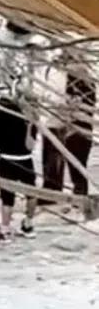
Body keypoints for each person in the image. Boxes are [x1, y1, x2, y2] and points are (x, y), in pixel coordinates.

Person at [43, 54, 95, 200]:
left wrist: (71, 108)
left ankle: (79, 198)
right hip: (64, 126)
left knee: (77, 165)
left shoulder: (84, 82)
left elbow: (84, 105)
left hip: (78, 129)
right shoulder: (66, 78)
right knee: (64, 165)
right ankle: (60, 195)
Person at [0, 91, 38, 240]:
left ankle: (5, 228)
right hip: (25, 159)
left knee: (7, 196)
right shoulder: (30, 114)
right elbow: (30, 145)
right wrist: (30, 126)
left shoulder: (3, 106)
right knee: (32, 193)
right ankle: (28, 223)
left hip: (7, 159)